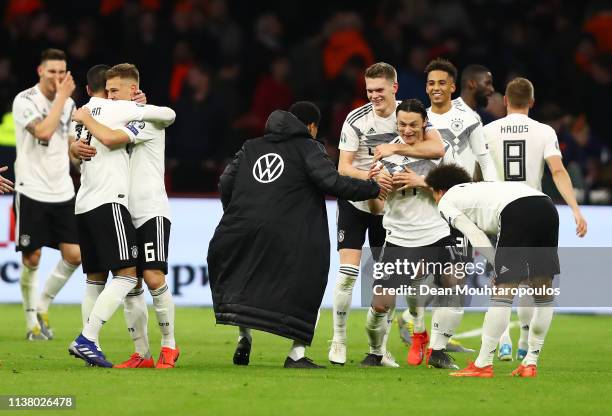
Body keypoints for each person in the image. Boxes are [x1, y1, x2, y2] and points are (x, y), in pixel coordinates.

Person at [207, 101, 388, 369]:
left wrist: (235, 213)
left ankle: (244, 337)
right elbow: (331, 182)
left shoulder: (250, 147)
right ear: (312, 126)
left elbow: (225, 182)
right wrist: (371, 189)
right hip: (290, 234)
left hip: (240, 228)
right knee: (308, 279)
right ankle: (297, 353)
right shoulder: (308, 147)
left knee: (245, 279)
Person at [330, 62, 445, 367]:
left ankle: (380, 349)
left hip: (389, 209)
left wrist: (395, 152)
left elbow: (437, 148)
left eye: (379, 90)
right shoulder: (355, 119)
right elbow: (343, 168)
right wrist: (371, 178)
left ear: (394, 88)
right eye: (369, 91)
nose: (374, 96)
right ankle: (338, 340)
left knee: (388, 286)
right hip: (356, 200)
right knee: (347, 276)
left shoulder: (406, 118)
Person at [67, 63, 176, 368]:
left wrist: (141, 103)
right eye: (109, 90)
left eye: (117, 91)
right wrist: (75, 147)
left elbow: (169, 115)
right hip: (114, 204)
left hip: (147, 208)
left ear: (131, 90)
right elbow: (92, 146)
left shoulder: (126, 114)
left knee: (145, 277)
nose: (112, 96)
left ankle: (169, 344)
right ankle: (135, 351)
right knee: (128, 280)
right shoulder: (116, 112)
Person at [483, 77, 587, 360]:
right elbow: (558, 171)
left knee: (502, 283)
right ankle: (526, 344)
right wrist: (575, 209)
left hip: (500, 210)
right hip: (536, 210)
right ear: (532, 101)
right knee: (537, 285)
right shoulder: (545, 132)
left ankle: (502, 341)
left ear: (505, 101)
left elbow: (477, 175)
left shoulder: (488, 131)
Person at [426, 164, 560, 378]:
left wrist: (497, 263)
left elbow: (473, 234)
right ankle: (530, 362)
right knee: (543, 290)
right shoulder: (479, 188)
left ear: (438, 190)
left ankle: (483, 364)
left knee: (503, 290)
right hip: (547, 205)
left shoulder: (446, 201)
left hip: (517, 210)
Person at [361, 99, 462, 369]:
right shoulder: (384, 155)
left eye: (413, 125)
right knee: (380, 304)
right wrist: (375, 189)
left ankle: (438, 351)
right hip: (399, 237)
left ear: (424, 124)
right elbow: (376, 208)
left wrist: (423, 182)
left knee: (452, 286)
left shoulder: (441, 150)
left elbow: (457, 193)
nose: (407, 130)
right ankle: (375, 353)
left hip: (437, 232)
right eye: (402, 124)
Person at [12, 48, 81, 340]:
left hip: (62, 189)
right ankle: (31, 323)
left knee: (75, 255)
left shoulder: (69, 105)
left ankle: (42, 305)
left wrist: (82, 154)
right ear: (40, 71)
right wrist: (63, 98)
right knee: (32, 258)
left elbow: (69, 145)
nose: (57, 77)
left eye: (61, 72)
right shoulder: (24, 100)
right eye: (51, 71)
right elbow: (42, 132)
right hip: (31, 188)